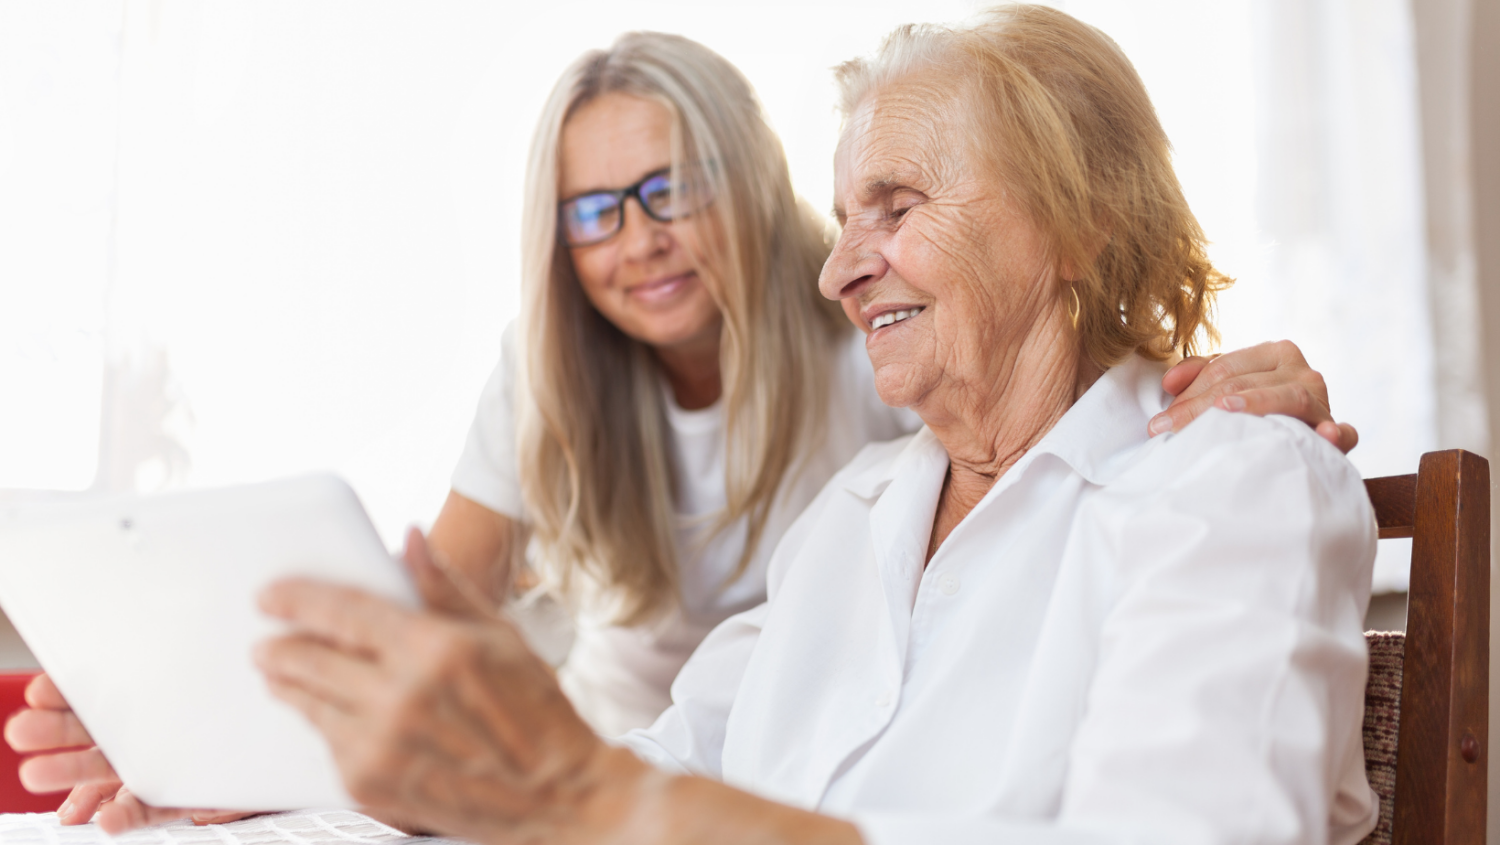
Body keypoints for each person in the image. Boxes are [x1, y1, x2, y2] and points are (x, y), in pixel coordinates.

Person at [6, 17, 1365, 835]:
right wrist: (226, 761)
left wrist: (599, 809)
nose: (842, 271)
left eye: (894, 207)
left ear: (1078, 222)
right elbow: (621, 775)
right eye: (846, 224)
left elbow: (609, 803)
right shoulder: (859, 521)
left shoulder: (1222, 490)